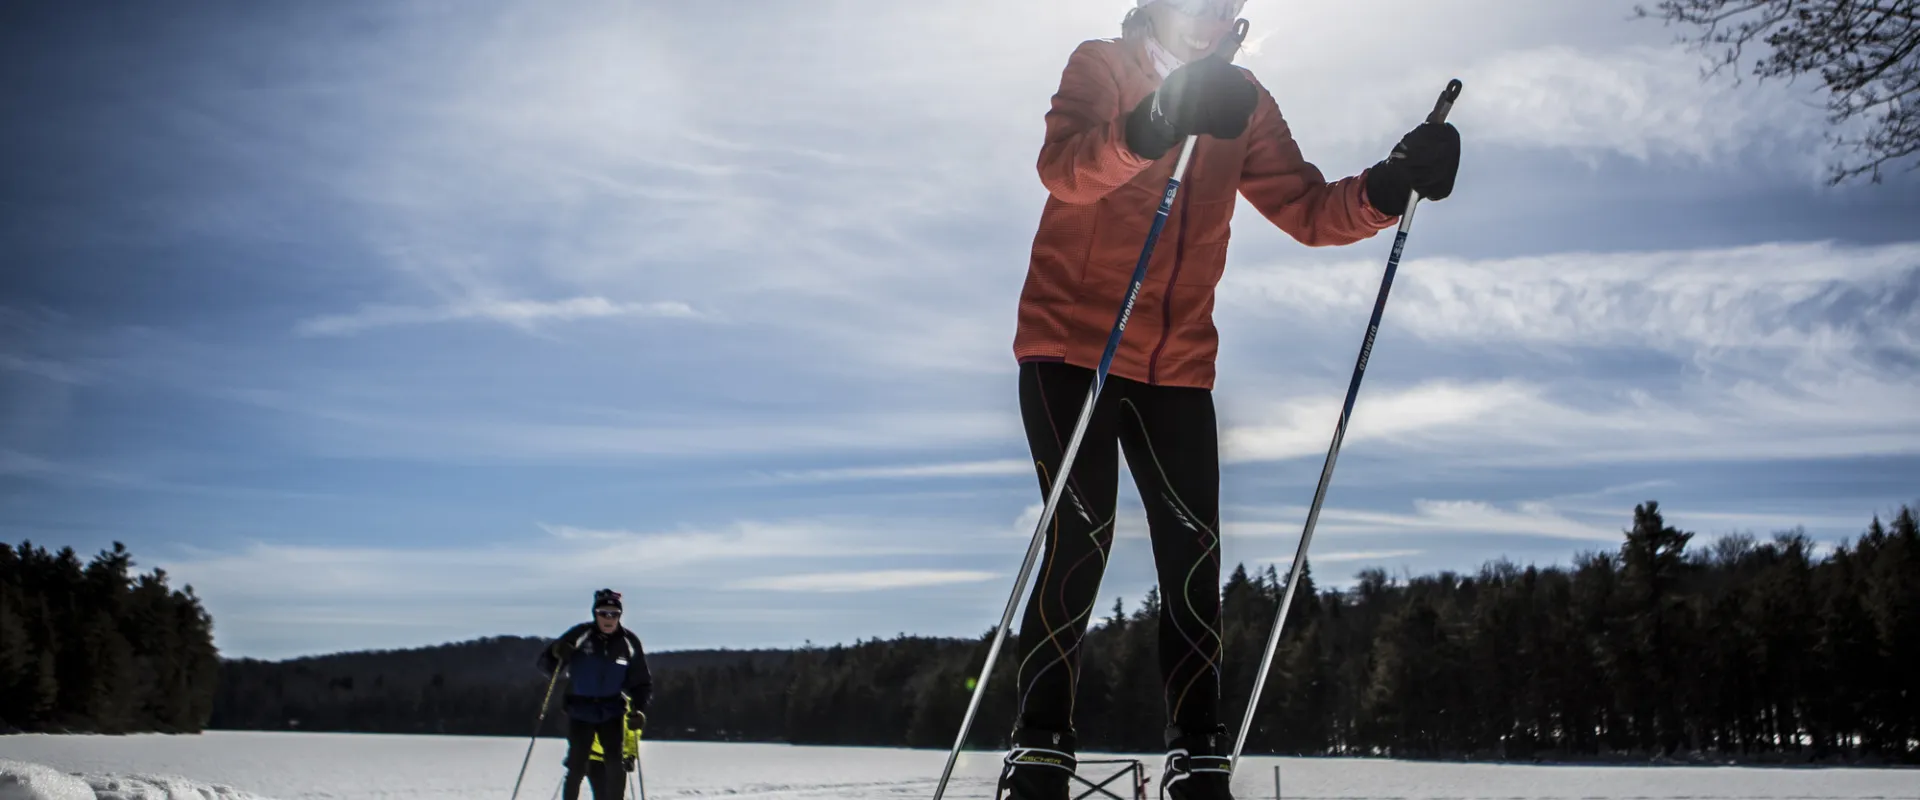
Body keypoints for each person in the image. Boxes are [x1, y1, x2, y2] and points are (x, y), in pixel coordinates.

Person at [1000, 2, 1459, 799]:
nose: (1209, 18)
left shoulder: (1244, 100)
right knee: (1081, 536)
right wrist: (1155, 122)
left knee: (1194, 555)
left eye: (1225, 6)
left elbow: (1311, 210)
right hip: (1070, 348)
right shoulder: (1101, 66)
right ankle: (1040, 749)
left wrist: (1392, 183)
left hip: (1176, 366)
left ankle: (1197, 751)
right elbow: (1065, 171)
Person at [537, 588, 653, 800]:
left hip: (611, 710)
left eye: (614, 614)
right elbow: (546, 666)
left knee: (615, 764)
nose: (608, 618)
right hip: (580, 709)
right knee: (577, 765)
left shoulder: (628, 642)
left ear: (620, 615)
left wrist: (639, 709)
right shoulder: (581, 635)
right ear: (595, 614)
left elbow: (641, 682)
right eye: (603, 613)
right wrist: (556, 653)